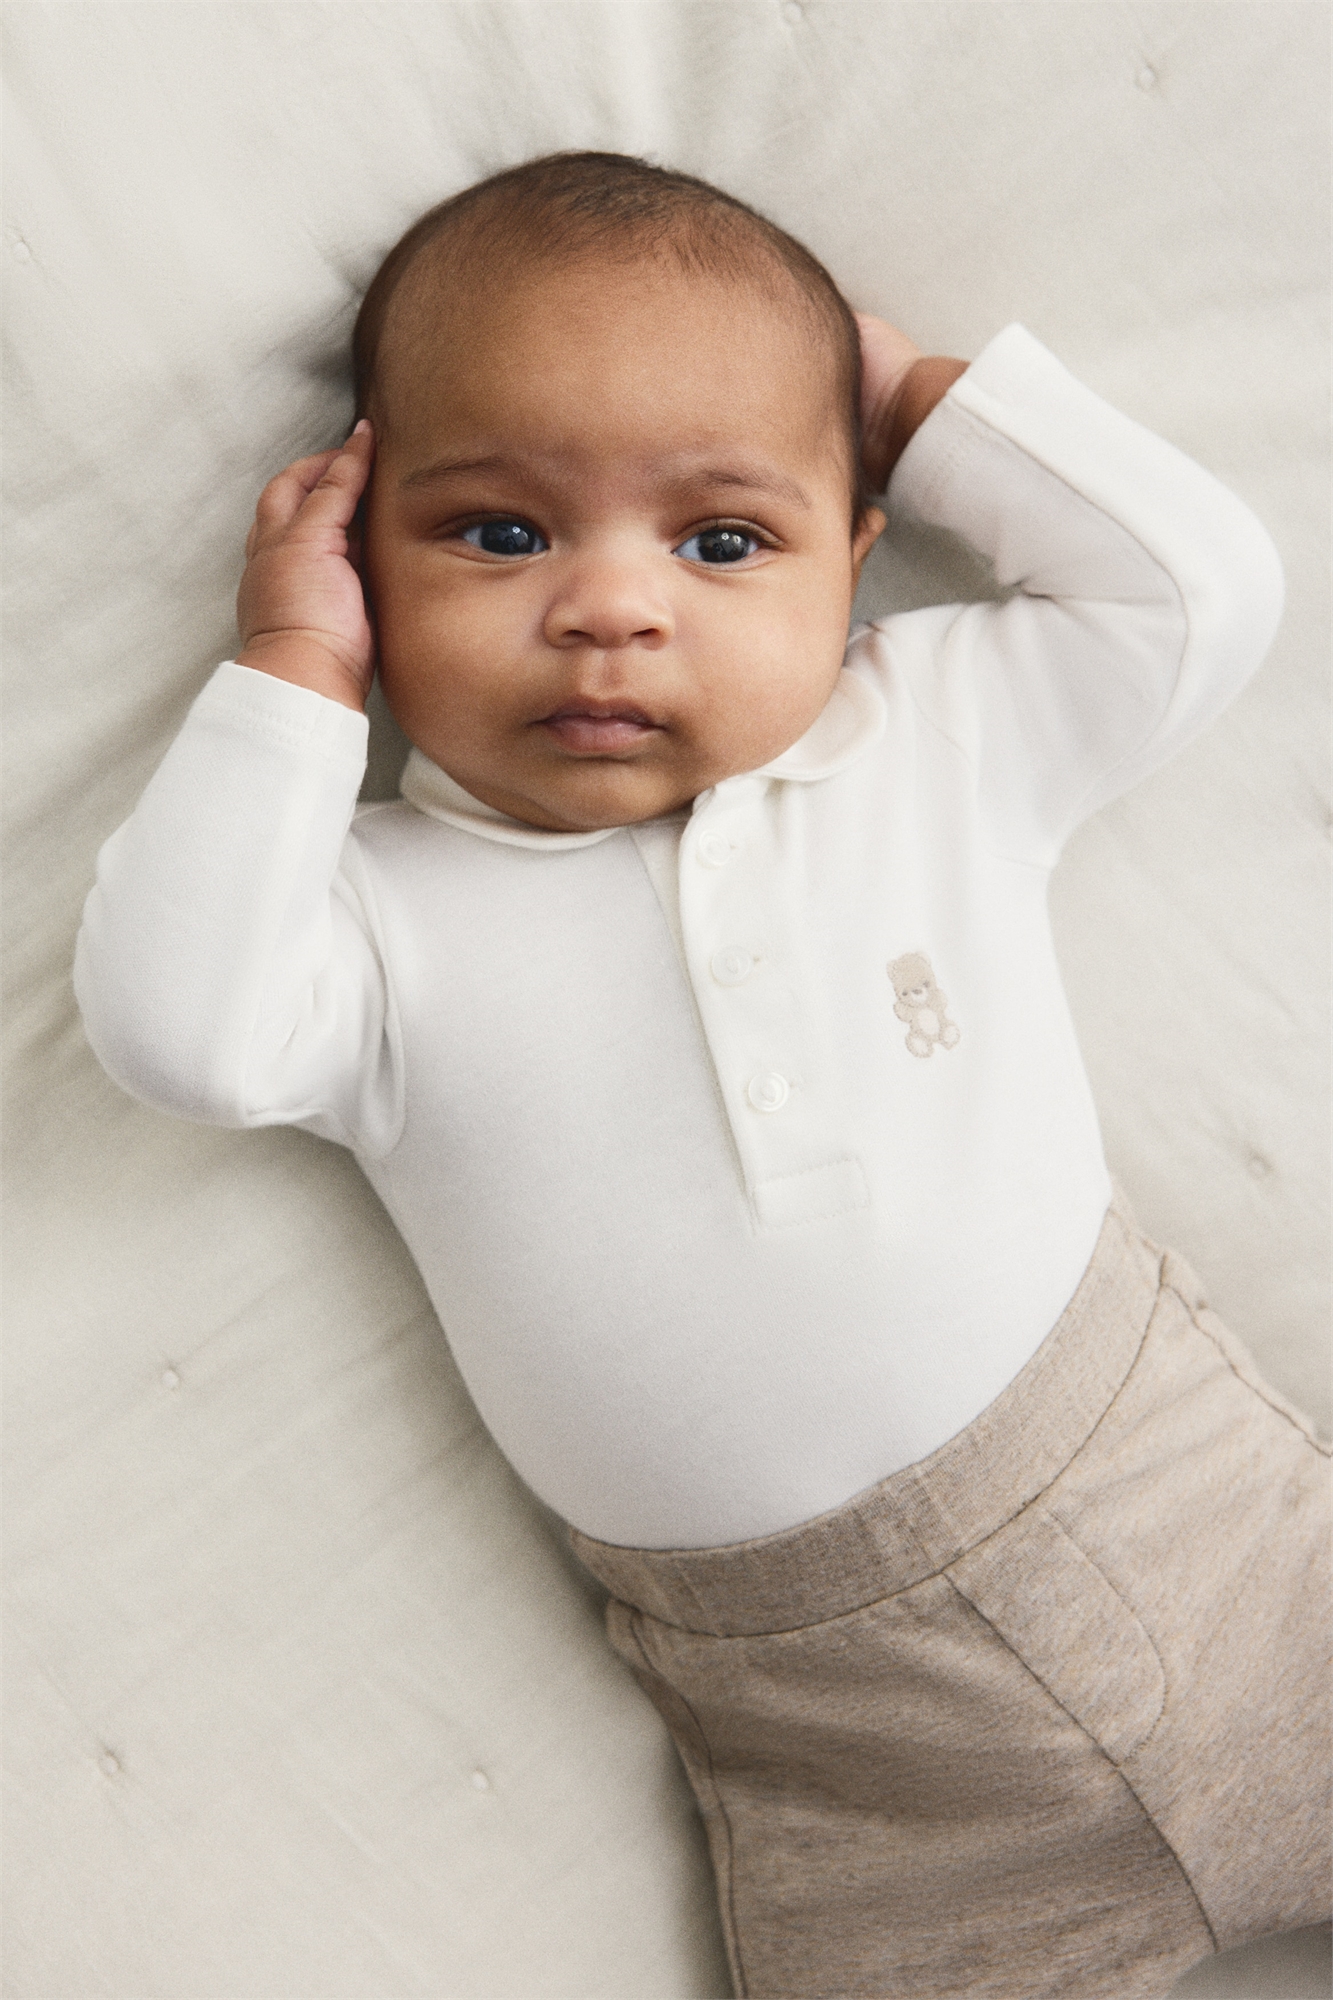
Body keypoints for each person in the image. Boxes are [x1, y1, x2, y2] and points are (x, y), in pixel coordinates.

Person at [74, 153, 1330, 1998]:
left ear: (853, 553)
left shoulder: (931, 732)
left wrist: (903, 396)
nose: (610, 607)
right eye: (498, 533)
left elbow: (1200, 592)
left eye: (723, 541)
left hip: (1221, 1555)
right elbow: (175, 1031)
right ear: (360, 561)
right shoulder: (366, 921)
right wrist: (288, 676)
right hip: (869, 1778)